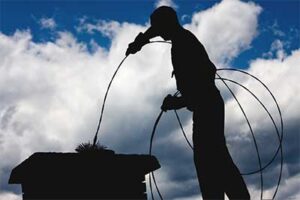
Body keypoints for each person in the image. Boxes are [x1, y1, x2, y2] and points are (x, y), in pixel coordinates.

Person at [126, 6, 250, 200]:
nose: (158, 35)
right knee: (215, 156)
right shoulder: (181, 38)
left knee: (209, 159)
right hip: (207, 107)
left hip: (207, 107)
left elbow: (203, 84)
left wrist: (176, 103)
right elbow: (156, 30)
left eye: (159, 29)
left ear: (168, 24)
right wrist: (139, 42)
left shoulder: (184, 44)